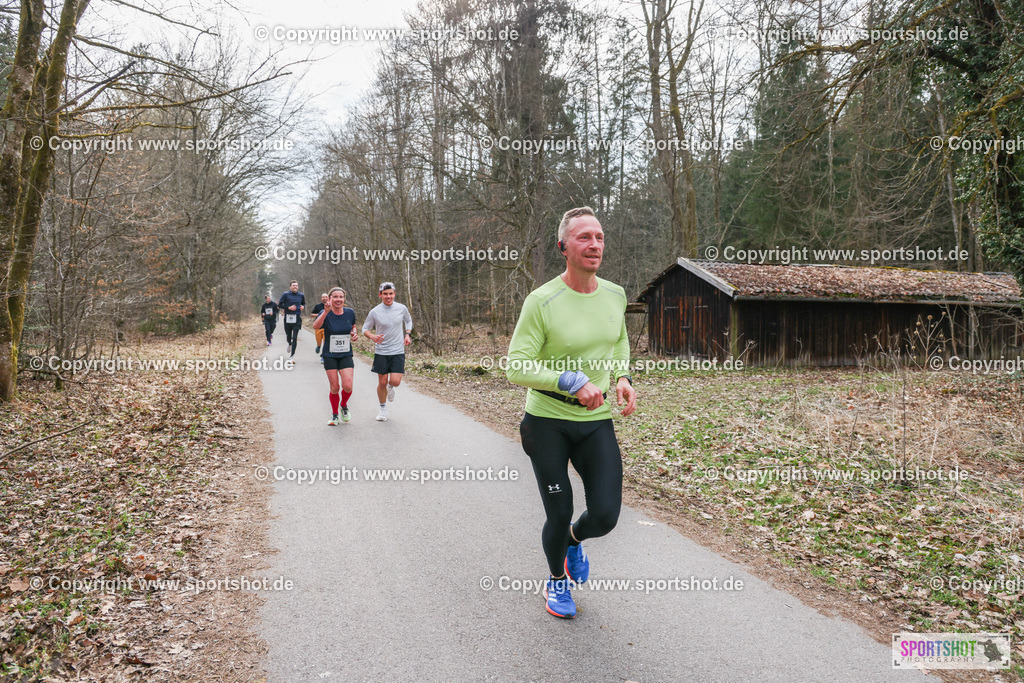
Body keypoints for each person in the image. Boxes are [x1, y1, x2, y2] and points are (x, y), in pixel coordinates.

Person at [506, 206, 637, 619]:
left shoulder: (615, 294)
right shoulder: (542, 301)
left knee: (605, 514)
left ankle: (574, 543)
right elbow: (516, 366)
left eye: (599, 237)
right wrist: (570, 381)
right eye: (584, 237)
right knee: (558, 511)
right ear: (563, 247)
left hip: (595, 421)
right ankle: (556, 582)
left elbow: (617, 339)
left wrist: (622, 376)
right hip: (546, 422)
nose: (594, 244)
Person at [361, 282, 412, 422]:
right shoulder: (375, 312)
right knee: (381, 383)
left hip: (397, 350)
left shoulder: (402, 308)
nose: (388, 296)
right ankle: (383, 408)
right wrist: (372, 336)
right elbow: (365, 328)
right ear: (380, 295)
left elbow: (408, 321)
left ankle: (391, 387)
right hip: (382, 351)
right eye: (385, 294)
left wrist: (408, 334)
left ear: (394, 294)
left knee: (395, 381)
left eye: (391, 293)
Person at [313, 287, 358, 425]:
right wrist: (326, 312)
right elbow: (315, 326)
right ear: (330, 299)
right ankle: (334, 415)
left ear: (344, 299)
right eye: (335, 297)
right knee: (334, 387)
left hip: (345, 354)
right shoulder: (325, 312)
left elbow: (353, 326)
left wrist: (354, 332)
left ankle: (343, 405)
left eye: (341, 297)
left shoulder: (350, 312)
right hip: (330, 355)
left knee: (348, 386)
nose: (338, 299)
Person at [278, 281, 305, 357]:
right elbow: (280, 305)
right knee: (288, 336)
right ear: (290, 287)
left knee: (295, 337)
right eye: (293, 285)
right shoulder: (285, 294)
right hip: (288, 317)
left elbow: (303, 303)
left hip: (297, 317)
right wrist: (288, 307)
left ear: (298, 286)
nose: (295, 287)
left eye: (296, 285)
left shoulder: (301, 295)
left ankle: (292, 356)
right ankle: (289, 343)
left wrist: (303, 307)